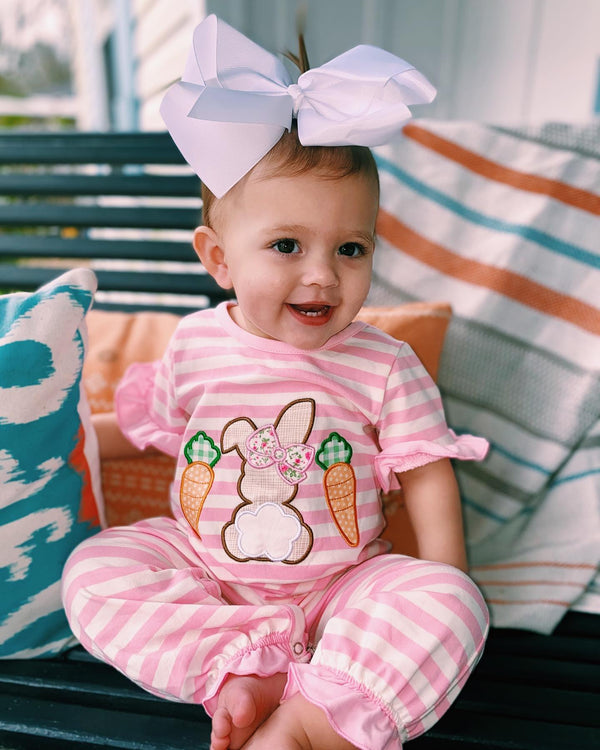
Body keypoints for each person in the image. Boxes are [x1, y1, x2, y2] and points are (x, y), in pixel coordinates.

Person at [62, 15, 489, 750]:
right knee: (94, 570)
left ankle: (311, 721)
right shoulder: (195, 345)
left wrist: (443, 591)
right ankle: (240, 667)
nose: (322, 275)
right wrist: (52, 443)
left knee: (453, 600)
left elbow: (427, 476)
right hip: (207, 582)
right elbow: (133, 432)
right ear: (219, 258)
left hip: (344, 589)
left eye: (350, 248)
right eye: (287, 245)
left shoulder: (384, 363)